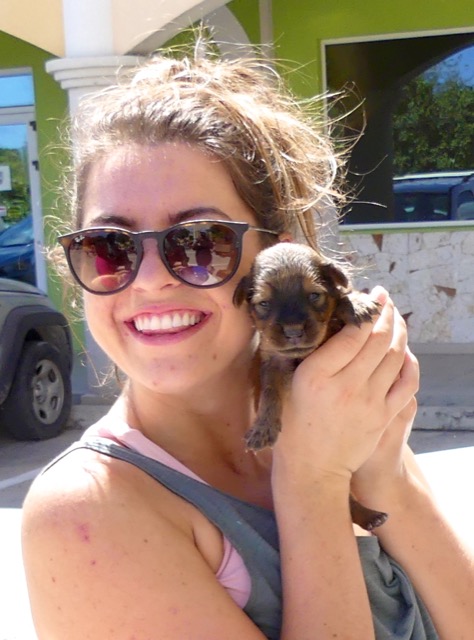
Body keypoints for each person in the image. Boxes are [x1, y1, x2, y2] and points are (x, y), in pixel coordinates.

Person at [21, 43, 474, 640]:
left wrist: (382, 471)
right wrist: (313, 480)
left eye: (200, 242)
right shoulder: (87, 512)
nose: (152, 278)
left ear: (277, 254)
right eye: (109, 247)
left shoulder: (330, 413)